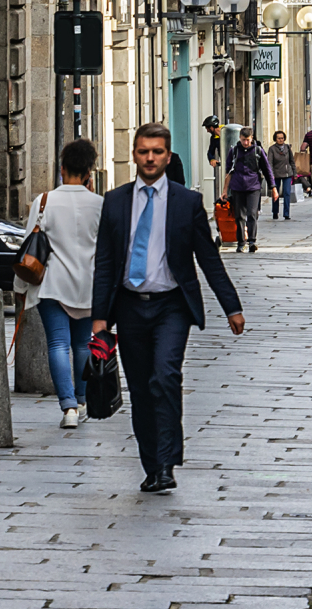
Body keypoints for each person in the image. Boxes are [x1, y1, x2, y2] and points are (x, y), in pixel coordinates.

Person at [93, 123, 246, 493]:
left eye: (157, 152)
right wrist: (99, 318)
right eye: (144, 151)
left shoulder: (186, 202)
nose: (150, 158)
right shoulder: (115, 202)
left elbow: (208, 258)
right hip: (129, 306)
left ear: (168, 155)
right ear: (134, 154)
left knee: (165, 377)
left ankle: (167, 463)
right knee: (142, 390)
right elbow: (105, 263)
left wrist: (232, 307)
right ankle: (152, 466)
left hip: (171, 306)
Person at [22, 139, 104, 429]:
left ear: (62, 168)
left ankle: (68, 407)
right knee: (83, 344)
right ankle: (82, 401)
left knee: (58, 344)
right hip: (89, 286)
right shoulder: (99, 204)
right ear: (88, 173)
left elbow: (28, 246)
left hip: (53, 284)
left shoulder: (44, 201)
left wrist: (21, 292)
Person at [224, 129, 275, 253]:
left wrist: (273, 187)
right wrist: (225, 190)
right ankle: (241, 243)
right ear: (240, 138)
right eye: (243, 140)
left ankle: (252, 241)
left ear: (252, 138)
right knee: (239, 216)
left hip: (253, 187)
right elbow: (228, 172)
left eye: (247, 140)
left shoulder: (258, 151)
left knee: (252, 214)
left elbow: (267, 169)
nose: (245, 143)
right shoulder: (234, 151)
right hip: (237, 187)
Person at [266, 130, 298, 222]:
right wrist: (271, 174)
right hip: (276, 174)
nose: (281, 140)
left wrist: (295, 173)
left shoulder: (287, 148)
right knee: (275, 194)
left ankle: (286, 213)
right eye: (279, 138)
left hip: (287, 173)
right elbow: (270, 162)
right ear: (275, 139)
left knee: (287, 193)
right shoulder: (272, 149)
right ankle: (275, 211)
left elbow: (292, 161)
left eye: (282, 138)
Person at [203, 116, 223, 195]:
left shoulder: (227, 131)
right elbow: (210, 152)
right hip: (227, 167)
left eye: (207, 128)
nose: (207, 131)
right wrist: (212, 159)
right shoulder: (214, 138)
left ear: (212, 127)